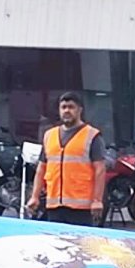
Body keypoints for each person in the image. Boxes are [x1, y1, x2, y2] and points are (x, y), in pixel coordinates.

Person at [27, 92, 106, 226]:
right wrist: (34, 197)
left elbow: (100, 170)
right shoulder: (49, 136)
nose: (67, 111)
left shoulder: (92, 136)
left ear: (80, 110)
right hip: (54, 206)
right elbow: (41, 169)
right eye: (63, 107)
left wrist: (97, 200)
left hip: (81, 208)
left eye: (71, 107)